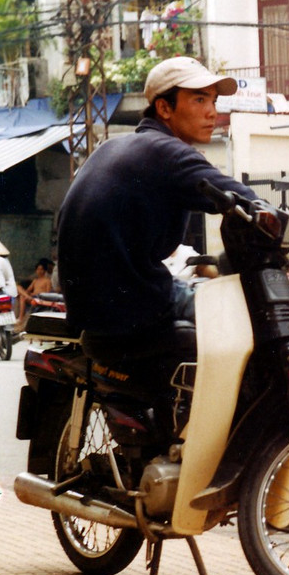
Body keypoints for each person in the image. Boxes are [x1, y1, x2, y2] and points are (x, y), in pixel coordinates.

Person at [56, 56, 258, 366]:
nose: (212, 112)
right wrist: (277, 222)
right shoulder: (167, 152)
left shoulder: (115, 146)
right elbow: (246, 200)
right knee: (238, 317)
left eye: (214, 101)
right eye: (199, 99)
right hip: (134, 306)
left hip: (91, 308)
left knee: (201, 293)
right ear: (164, 108)